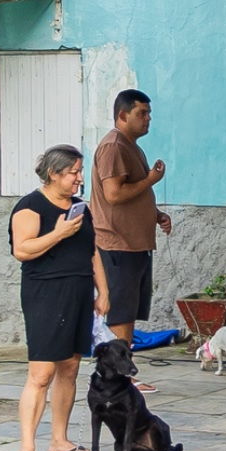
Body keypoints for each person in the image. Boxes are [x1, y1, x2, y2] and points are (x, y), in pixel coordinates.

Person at [10, 145, 98, 451]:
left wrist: (102, 291)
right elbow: (22, 249)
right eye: (73, 172)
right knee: (41, 372)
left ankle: (59, 441)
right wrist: (59, 233)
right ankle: (26, 448)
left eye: (79, 171)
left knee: (70, 367)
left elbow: (93, 252)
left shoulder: (79, 208)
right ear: (54, 174)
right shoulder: (30, 207)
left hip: (79, 291)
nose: (79, 178)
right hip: (45, 293)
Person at [90, 89, 173, 359]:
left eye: (149, 114)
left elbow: (131, 193)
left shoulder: (130, 145)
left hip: (134, 244)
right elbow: (113, 194)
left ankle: (123, 373)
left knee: (128, 312)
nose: (148, 119)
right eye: (142, 113)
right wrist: (151, 180)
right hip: (117, 244)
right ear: (123, 115)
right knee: (120, 313)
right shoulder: (113, 146)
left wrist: (155, 213)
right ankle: (118, 377)